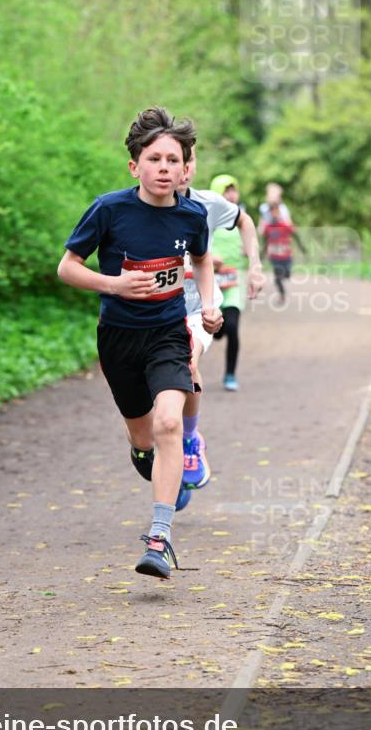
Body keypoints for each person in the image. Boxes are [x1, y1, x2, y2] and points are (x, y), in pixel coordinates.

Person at [57, 107, 222, 580]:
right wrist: (115, 285)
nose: (164, 167)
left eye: (174, 159)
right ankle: (150, 459)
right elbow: (67, 267)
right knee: (145, 436)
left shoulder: (192, 215)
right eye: (155, 158)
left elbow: (203, 260)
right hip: (118, 339)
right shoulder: (109, 209)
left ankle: (160, 537)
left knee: (170, 423)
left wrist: (209, 306)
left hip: (169, 332)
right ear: (135, 166)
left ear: (186, 167)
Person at [176, 162, 263, 483]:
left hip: (202, 306)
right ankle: (159, 449)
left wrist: (254, 266)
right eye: (165, 159)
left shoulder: (208, 203)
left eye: (185, 161)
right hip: (154, 312)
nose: (179, 169)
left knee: (187, 361)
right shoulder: (136, 207)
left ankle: (189, 438)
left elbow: (245, 220)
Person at [205, 174, 263, 392]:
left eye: (233, 190)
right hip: (210, 281)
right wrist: (210, 259)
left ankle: (230, 374)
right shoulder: (205, 217)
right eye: (226, 190)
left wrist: (251, 259)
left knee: (232, 326)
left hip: (234, 280)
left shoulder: (242, 219)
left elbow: (253, 243)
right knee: (216, 328)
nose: (231, 194)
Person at [261, 200, 305, 304]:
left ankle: (282, 282)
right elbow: (265, 242)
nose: (274, 213)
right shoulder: (268, 228)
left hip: (286, 256)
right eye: (272, 211)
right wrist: (261, 255)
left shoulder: (285, 225)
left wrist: (302, 247)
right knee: (278, 277)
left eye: (276, 211)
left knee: (287, 274)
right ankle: (282, 295)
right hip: (275, 257)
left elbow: (296, 235)